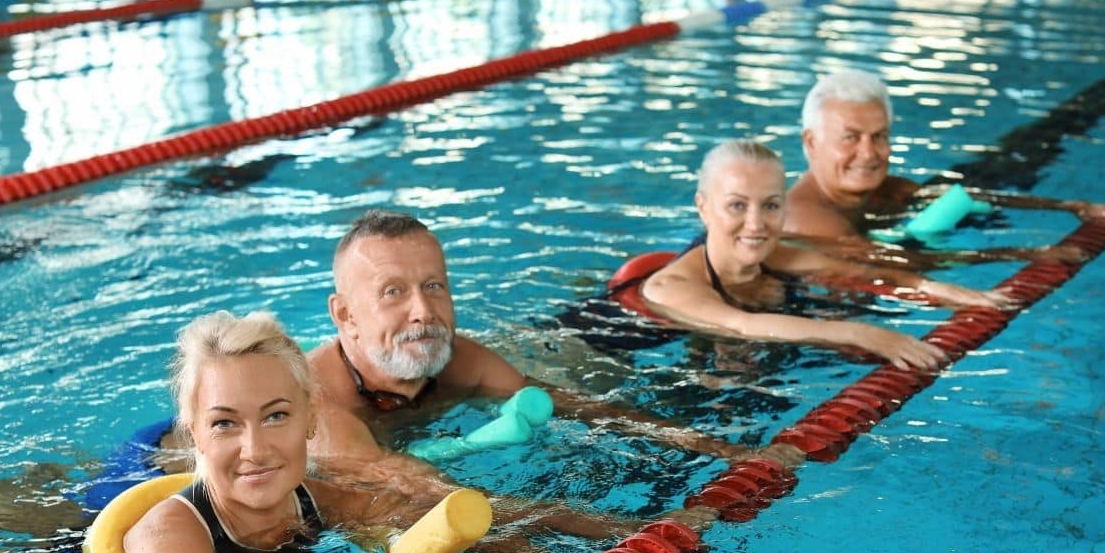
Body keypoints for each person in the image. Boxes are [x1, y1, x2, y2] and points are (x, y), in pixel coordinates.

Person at [122, 310, 498, 553]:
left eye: (276, 415)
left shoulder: (317, 500)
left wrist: (547, 546)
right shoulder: (168, 535)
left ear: (311, 418)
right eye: (224, 423)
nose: (255, 449)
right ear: (193, 432)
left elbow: (426, 514)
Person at [305, 209, 796, 503]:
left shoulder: (458, 361)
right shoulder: (318, 408)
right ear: (345, 315)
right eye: (393, 292)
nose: (423, 311)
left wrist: (728, 452)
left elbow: (576, 407)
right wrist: (613, 531)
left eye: (434, 286)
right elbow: (429, 496)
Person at [639, 139, 1012, 371]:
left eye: (770, 206)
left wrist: (940, 289)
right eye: (736, 205)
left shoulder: (776, 256)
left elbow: (860, 270)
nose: (756, 224)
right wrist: (863, 334)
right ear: (703, 208)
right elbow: (741, 325)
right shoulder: (672, 286)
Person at [784, 69, 1105, 267]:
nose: (869, 153)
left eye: (879, 136)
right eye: (850, 138)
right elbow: (895, 264)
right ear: (811, 143)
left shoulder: (885, 189)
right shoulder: (808, 219)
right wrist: (1024, 254)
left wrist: (1070, 207)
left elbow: (958, 196)